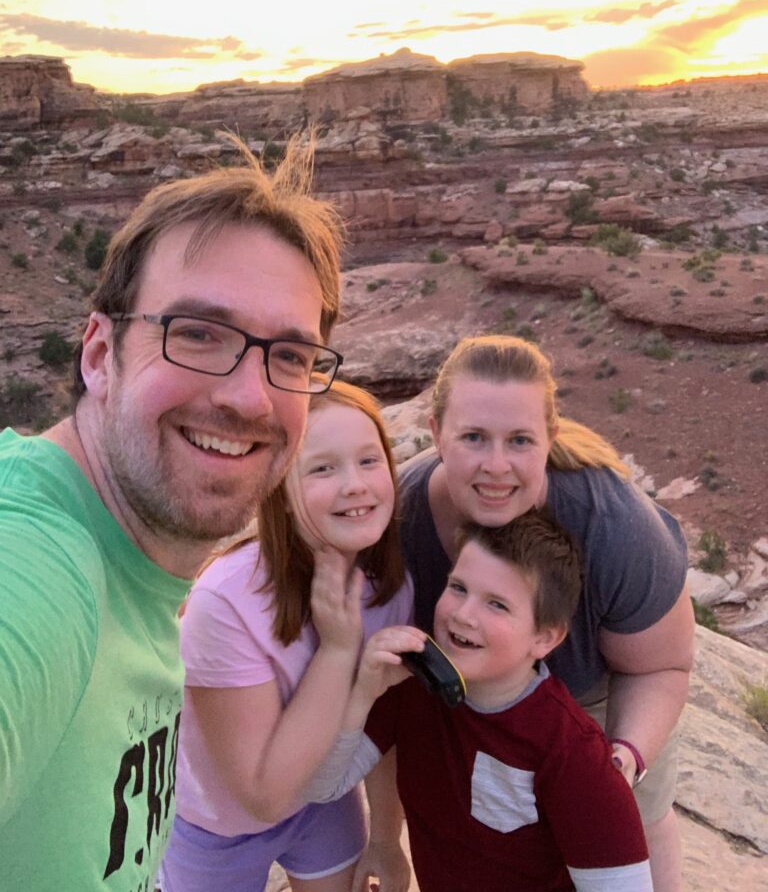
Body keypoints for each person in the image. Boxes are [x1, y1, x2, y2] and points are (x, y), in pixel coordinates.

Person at [0, 138, 346, 890]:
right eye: (197, 334)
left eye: (290, 357)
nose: (251, 397)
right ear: (99, 354)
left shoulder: (142, 571)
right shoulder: (36, 565)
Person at [395, 334, 694, 892]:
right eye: (474, 438)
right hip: (465, 694)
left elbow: (662, 664)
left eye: (520, 441)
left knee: (633, 824)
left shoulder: (611, 524)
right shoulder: (400, 518)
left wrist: (623, 760)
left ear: (549, 439)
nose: (497, 466)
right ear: (435, 433)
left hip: (594, 703)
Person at [307, 511, 654, 892]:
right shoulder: (411, 687)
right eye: (458, 588)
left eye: (497, 605)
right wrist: (364, 693)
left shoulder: (571, 752)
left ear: (545, 638)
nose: (464, 614)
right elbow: (324, 786)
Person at [157, 380, 413, 892]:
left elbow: (385, 733)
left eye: (369, 461)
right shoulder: (227, 602)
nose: (356, 485)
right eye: (322, 468)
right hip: (215, 826)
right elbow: (263, 795)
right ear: (281, 488)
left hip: (324, 800)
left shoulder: (388, 585)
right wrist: (339, 651)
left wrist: (386, 840)